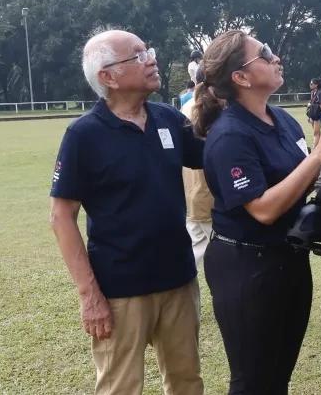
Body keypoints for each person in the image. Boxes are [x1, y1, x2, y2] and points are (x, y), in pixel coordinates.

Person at [193, 30, 321, 394]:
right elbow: (264, 209)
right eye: (265, 53)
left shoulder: (282, 120)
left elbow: (302, 181)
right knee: (252, 381)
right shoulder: (230, 135)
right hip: (246, 269)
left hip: (290, 262)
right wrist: (319, 154)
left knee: (278, 376)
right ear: (241, 77)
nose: (275, 58)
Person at [49, 30, 205, 395]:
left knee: (187, 382)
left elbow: (214, 155)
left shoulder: (169, 119)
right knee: (120, 387)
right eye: (137, 55)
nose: (151, 59)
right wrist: (89, 296)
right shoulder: (83, 135)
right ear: (108, 76)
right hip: (120, 290)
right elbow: (61, 216)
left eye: (147, 50)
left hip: (178, 281)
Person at [181, 66, 214, 264]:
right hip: (207, 197)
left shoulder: (186, 106)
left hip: (191, 196)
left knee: (194, 254)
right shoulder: (209, 109)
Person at [306, 78, 321, 148]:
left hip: (318, 115)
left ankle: (314, 149)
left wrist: (311, 105)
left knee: (315, 133)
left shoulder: (320, 93)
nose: (310, 85)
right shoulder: (312, 93)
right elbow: (312, 102)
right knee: (317, 132)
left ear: (316, 85)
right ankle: (320, 147)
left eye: (311, 84)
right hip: (313, 114)